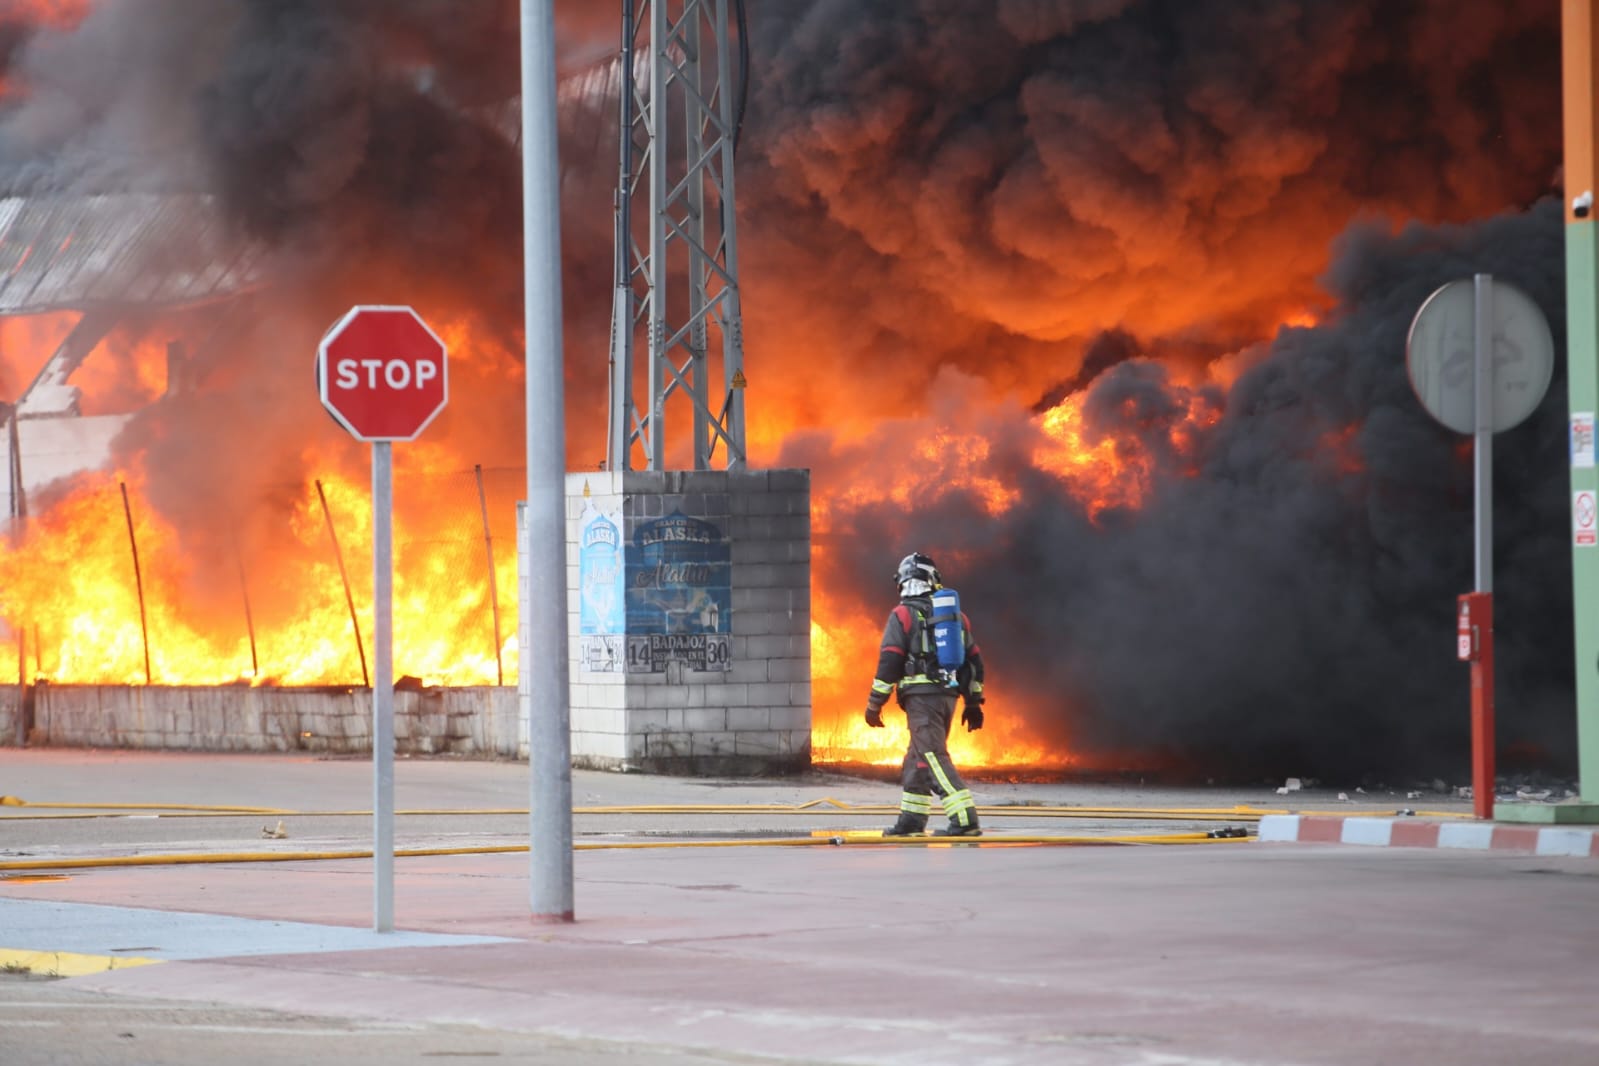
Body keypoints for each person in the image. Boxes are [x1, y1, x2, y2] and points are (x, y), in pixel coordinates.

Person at [863, 552, 986, 836]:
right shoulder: (954, 618)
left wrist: (874, 703)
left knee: (931, 755)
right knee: (916, 761)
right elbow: (975, 663)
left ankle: (964, 819)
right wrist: (973, 703)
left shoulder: (903, 614)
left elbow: (890, 661)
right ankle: (912, 820)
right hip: (948, 697)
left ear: (903, 581)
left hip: (922, 699)